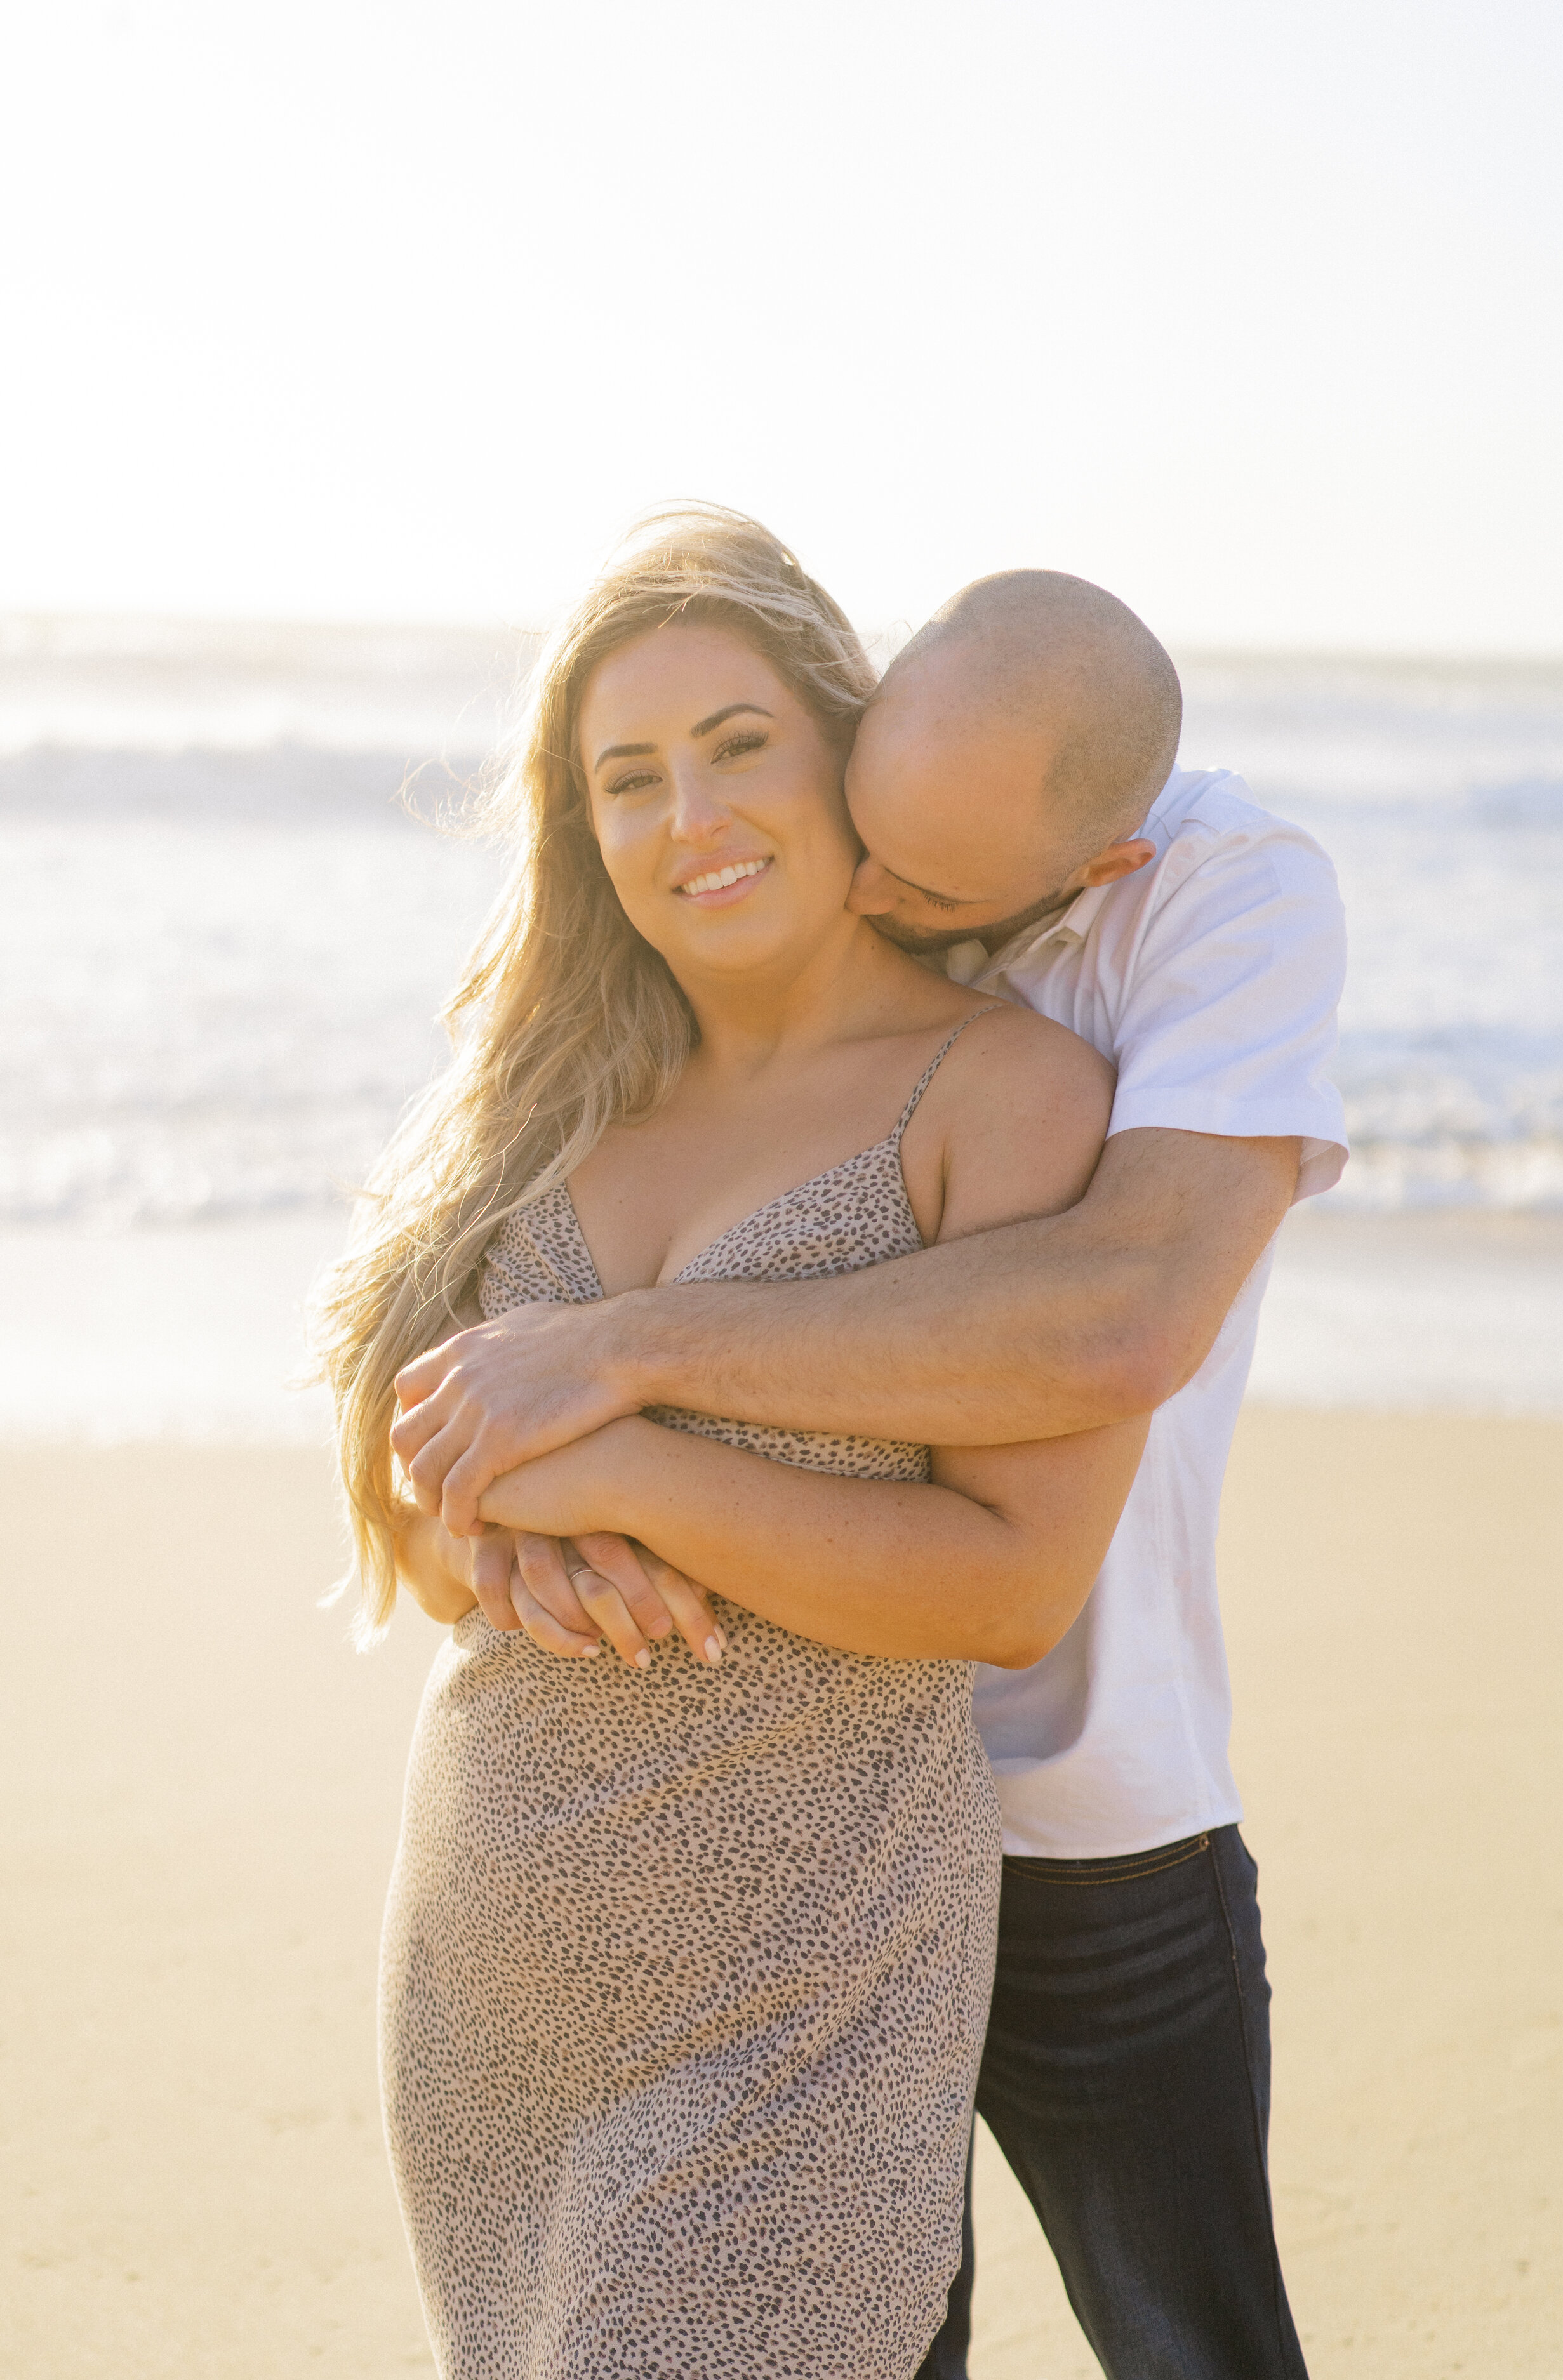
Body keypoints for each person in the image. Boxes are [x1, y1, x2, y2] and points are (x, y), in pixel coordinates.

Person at [392, 554, 1348, 2378]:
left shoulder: (1213, 908)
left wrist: (620, 1390)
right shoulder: (642, 1033)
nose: (890, 899)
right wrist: (504, 1517)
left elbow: (1118, 1317)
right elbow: (423, 1402)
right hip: (683, 1900)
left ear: (1090, 875)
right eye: (869, 827)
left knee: (1192, 2345)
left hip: (1082, 1809)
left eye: (939, 890)